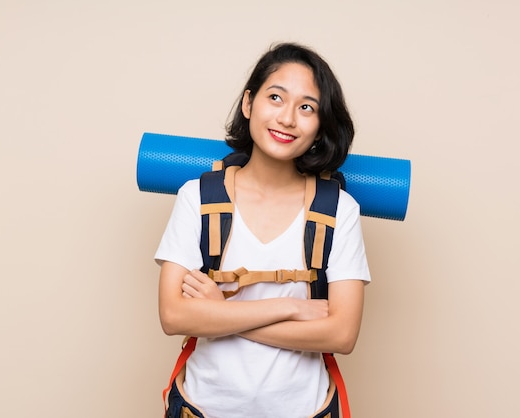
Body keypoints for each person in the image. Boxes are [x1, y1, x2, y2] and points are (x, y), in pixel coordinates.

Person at [155, 42, 371, 418]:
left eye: (307, 107)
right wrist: (288, 307)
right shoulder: (198, 198)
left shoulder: (339, 210)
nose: (287, 118)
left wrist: (219, 313)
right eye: (276, 97)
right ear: (248, 103)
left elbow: (341, 335)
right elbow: (173, 316)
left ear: (320, 126)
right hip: (204, 408)